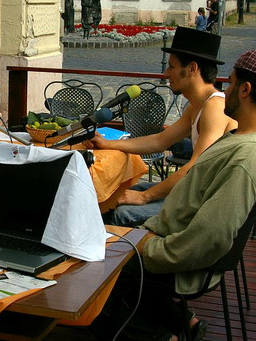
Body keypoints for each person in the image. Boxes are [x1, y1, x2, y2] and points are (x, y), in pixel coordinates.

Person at [91, 49, 256, 341]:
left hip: (178, 253)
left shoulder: (249, 156)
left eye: (230, 84)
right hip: (170, 238)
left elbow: (208, 238)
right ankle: (175, 329)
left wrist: (146, 248)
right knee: (103, 251)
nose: (223, 89)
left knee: (91, 272)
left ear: (246, 91)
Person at [84, 27, 237, 227]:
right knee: (119, 194)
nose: (166, 74)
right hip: (195, 191)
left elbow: (194, 169)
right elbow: (159, 141)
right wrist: (108, 144)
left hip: (205, 203)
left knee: (124, 212)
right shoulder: (197, 107)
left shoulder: (214, 108)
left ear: (192, 69)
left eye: (172, 67)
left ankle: (125, 256)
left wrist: (145, 197)